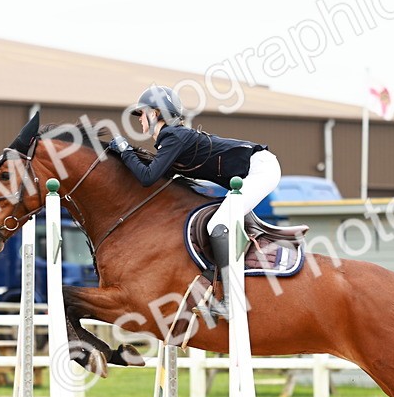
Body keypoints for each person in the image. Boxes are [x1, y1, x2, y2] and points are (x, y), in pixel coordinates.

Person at [108, 85, 280, 319]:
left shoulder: (174, 136)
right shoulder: (170, 140)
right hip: (250, 173)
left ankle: (232, 300)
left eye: (142, 113)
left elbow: (147, 177)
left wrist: (125, 150)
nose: (139, 119)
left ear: (156, 113)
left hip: (261, 168)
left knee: (217, 224)